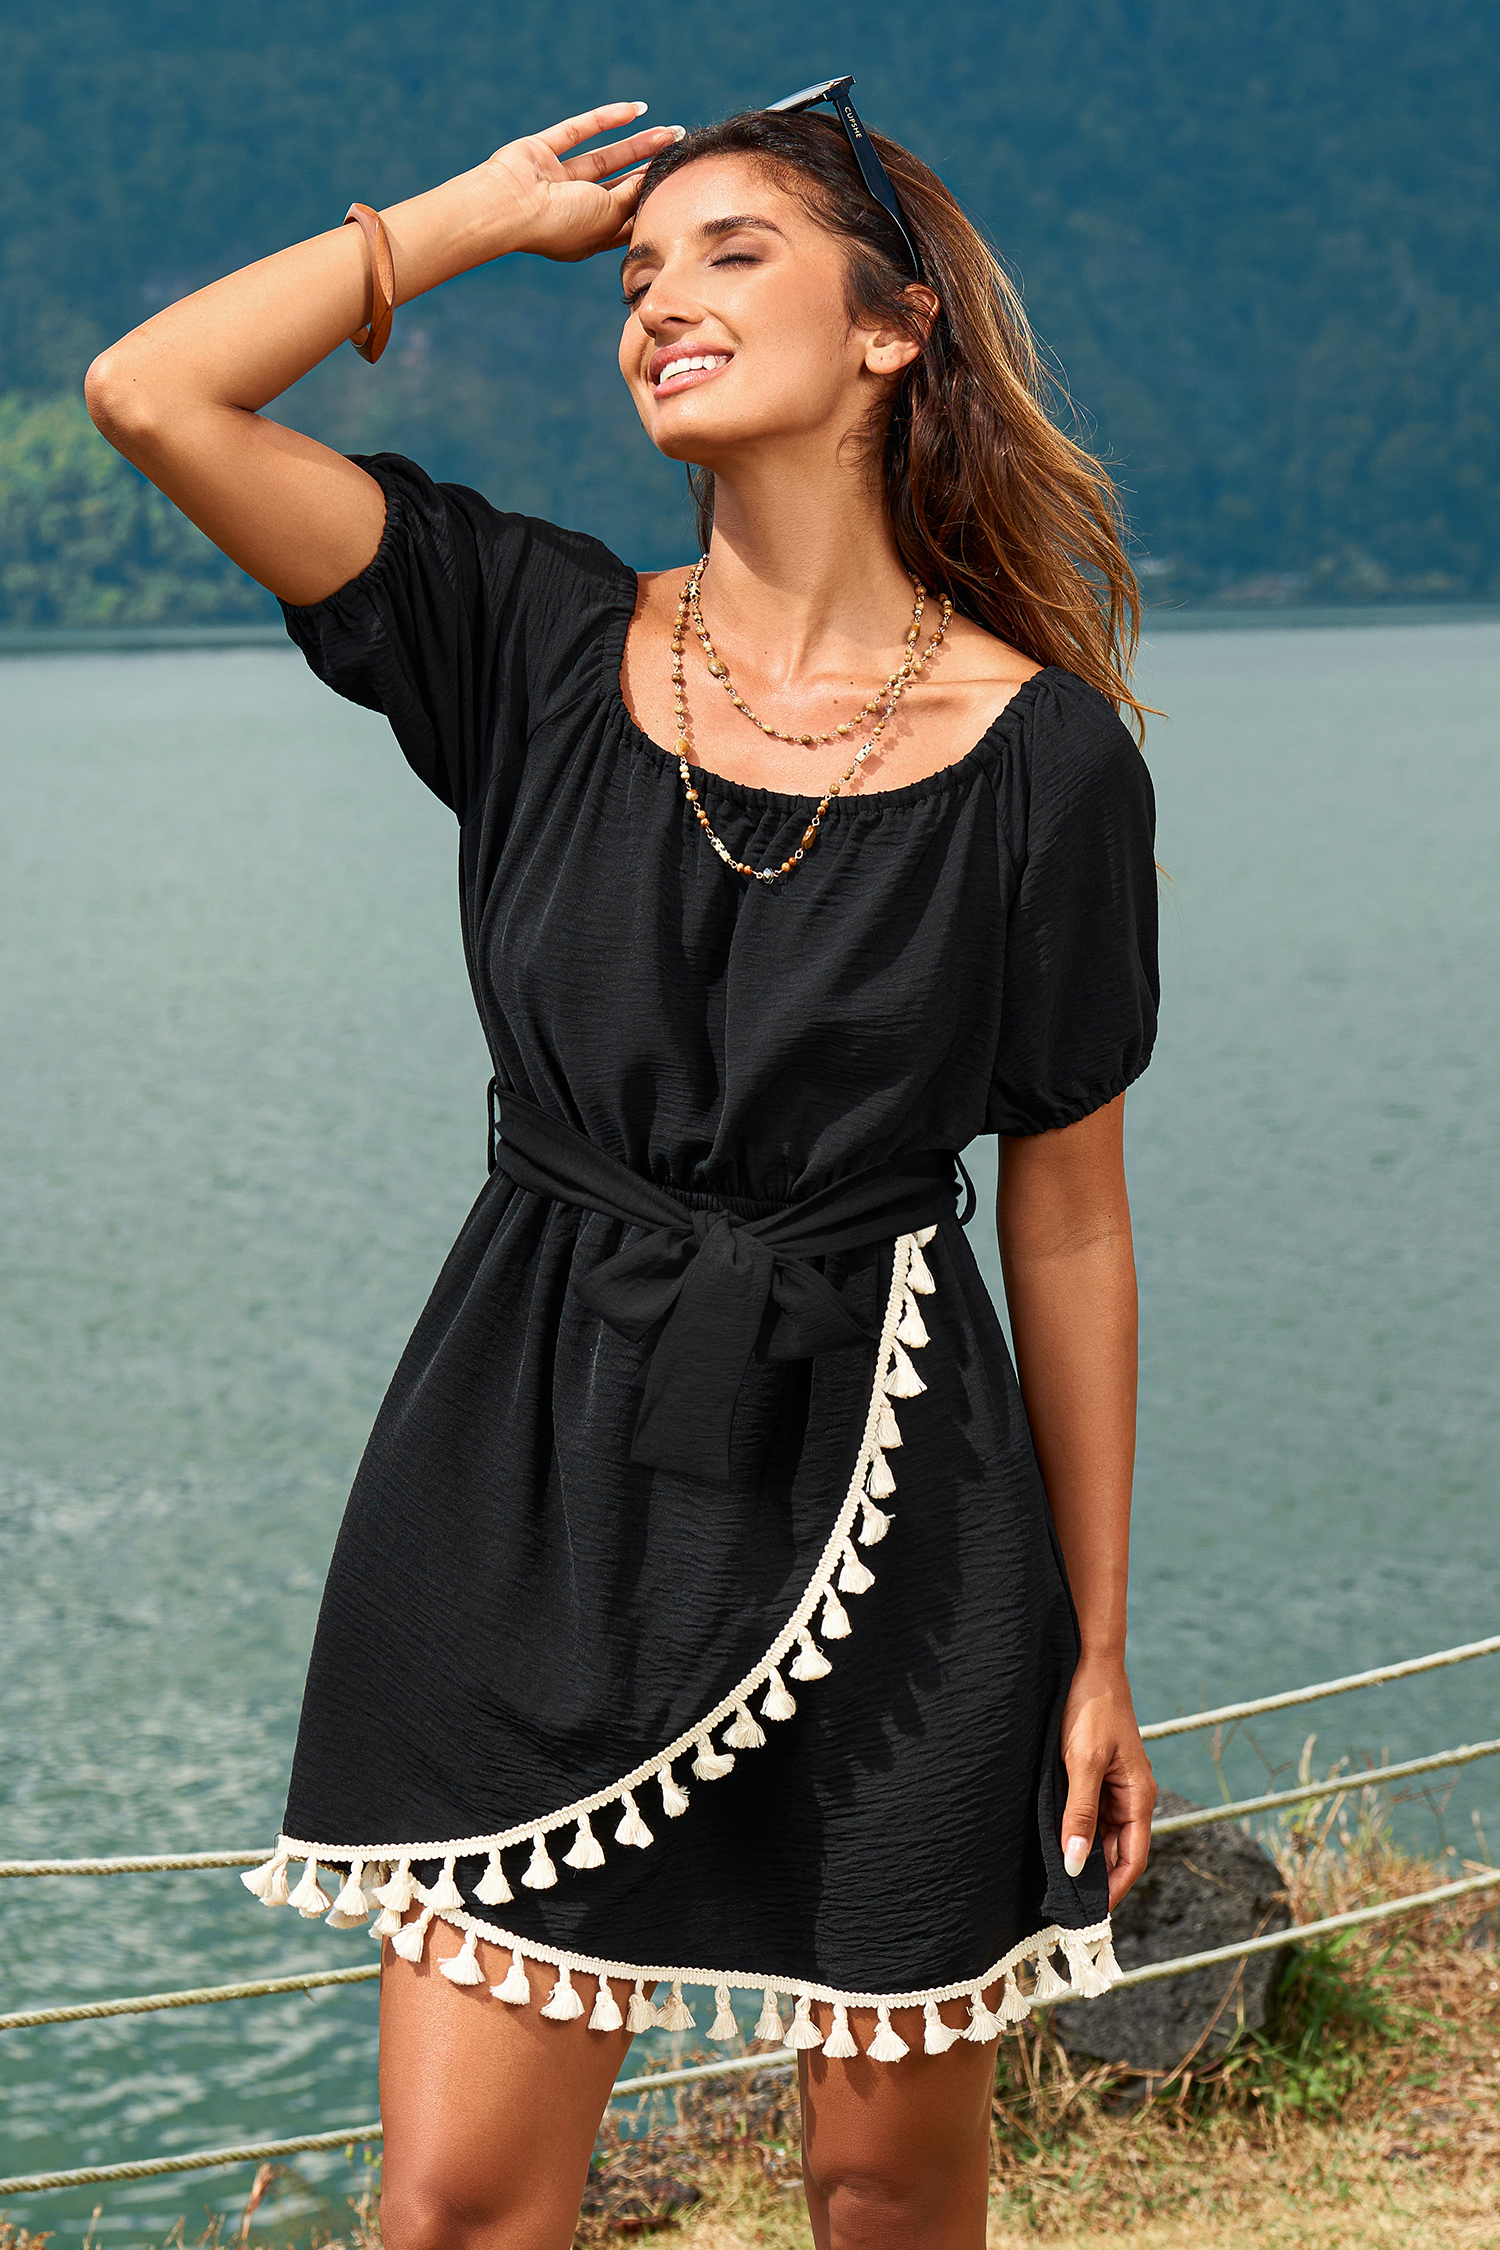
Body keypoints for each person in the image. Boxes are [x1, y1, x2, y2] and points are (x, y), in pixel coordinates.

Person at [87, 90, 1160, 2250]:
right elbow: (154, 393)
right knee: (457, 2208)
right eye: (641, 274)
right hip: (531, 1470)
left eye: (732, 253)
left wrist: (1102, 1643)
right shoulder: (531, 637)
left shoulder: (1047, 759)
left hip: (891, 1485)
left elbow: (1069, 1213)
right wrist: (472, 219)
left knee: (887, 2198)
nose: (658, 300)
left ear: (893, 330)